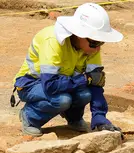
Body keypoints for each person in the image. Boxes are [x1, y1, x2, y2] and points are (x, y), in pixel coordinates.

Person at [12, 3, 123, 137]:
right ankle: (29, 117)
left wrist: (99, 117)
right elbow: (51, 85)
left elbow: (96, 83)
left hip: (60, 83)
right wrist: (85, 79)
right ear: (79, 34)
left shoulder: (91, 47)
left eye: (100, 42)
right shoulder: (53, 41)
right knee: (62, 100)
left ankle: (74, 119)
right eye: (95, 42)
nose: (97, 48)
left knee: (85, 94)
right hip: (30, 84)